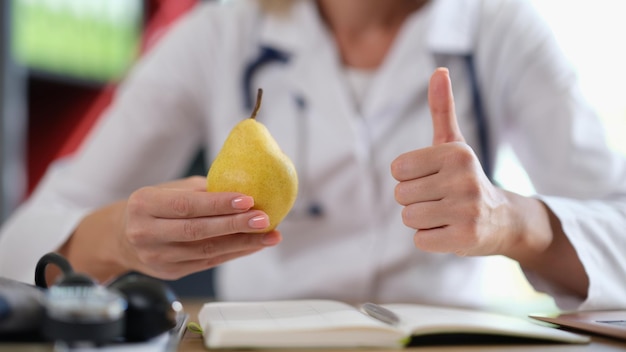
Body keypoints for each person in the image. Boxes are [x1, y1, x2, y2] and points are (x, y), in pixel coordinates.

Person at [1, 0, 625, 312]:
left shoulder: (501, 29)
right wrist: (119, 239)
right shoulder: (220, 35)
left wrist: (517, 223)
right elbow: (18, 241)